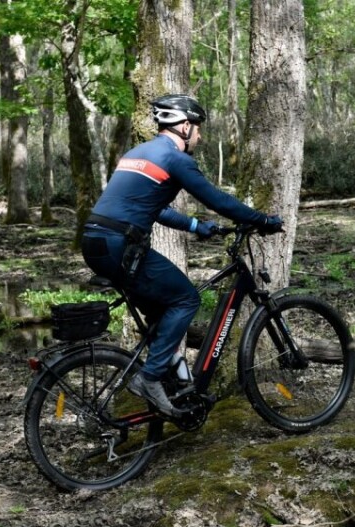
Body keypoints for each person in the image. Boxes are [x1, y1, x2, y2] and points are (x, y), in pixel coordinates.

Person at [81, 94, 282, 416]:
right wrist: (263, 220)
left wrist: (195, 226)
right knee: (186, 299)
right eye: (198, 129)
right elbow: (217, 200)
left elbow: (154, 207)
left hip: (95, 242)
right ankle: (150, 377)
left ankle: (174, 383)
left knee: (160, 312)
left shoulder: (137, 153)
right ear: (185, 126)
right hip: (120, 246)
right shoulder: (176, 158)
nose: (199, 136)